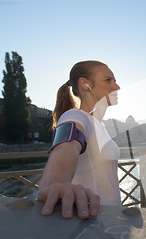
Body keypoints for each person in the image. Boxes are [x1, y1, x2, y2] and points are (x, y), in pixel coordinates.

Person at [38, 60, 121, 219]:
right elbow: (65, 148)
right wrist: (56, 186)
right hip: (91, 222)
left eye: (115, 81)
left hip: (112, 219)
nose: (116, 87)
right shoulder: (75, 116)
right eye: (108, 80)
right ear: (85, 84)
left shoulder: (97, 125)